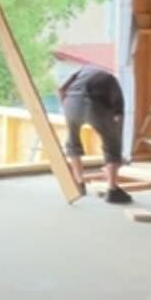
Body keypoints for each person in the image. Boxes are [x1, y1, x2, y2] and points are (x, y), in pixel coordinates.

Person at [57, 62, 130, 204]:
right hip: (95, 106)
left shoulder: (80, 71)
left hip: (71, 103)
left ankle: (79, 184)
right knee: (111, 144)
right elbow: (118, 114)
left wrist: (66, 109)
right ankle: (112, 190)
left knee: (73, 142)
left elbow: (61, 90)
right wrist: (117, 155)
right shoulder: (111, 79)